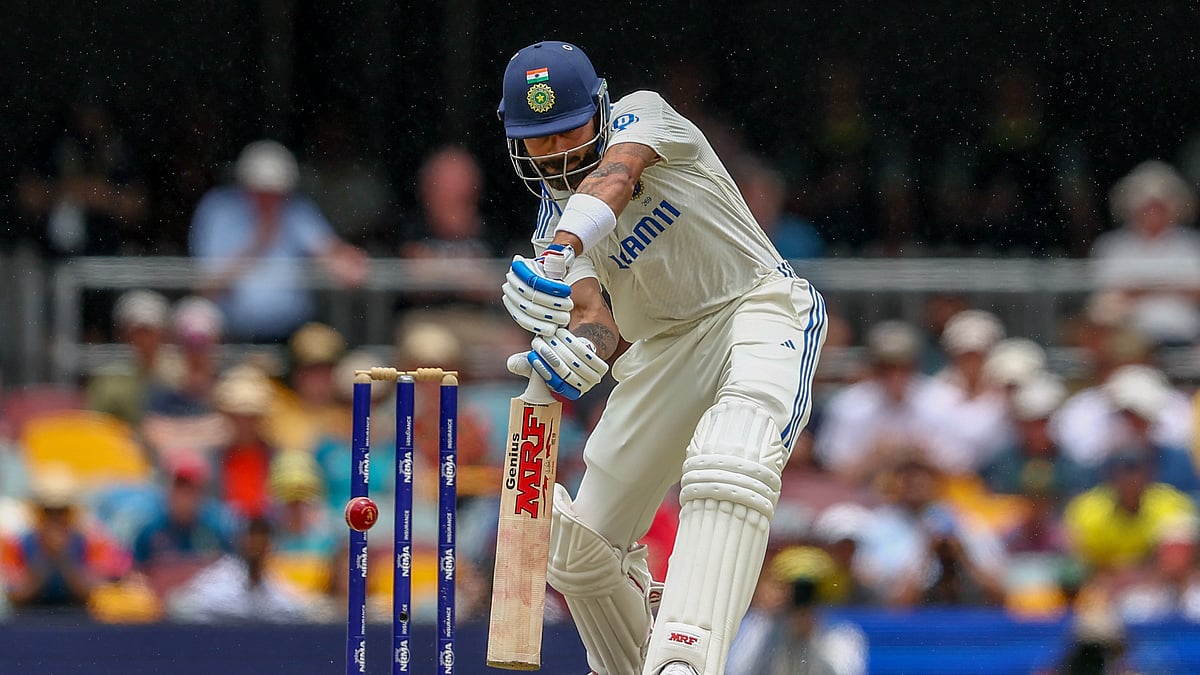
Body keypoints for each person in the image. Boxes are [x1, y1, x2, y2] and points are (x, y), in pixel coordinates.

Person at [496, 41, 828, 675]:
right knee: (581, 552)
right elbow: (596, 321)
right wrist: (573, 353)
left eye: (568, 131)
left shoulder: (642, 116)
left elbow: (616, 178)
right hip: (662, 350)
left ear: (600, 111)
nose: (556, 152)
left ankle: (686, 655)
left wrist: (559, 252)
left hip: (755, 306)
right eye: (538, 139)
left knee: (730, 458)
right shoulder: (549, 227)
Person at [189, 139, 368, 342]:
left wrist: (347, 260)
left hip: (291, 331)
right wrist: (257, 245)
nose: (270, 199)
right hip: (233, 334)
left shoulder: (295, 210)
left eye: (277, 192)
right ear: (244, 184)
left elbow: (330, 249)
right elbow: (206, 283)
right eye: (261, 191)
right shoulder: (219, 210)